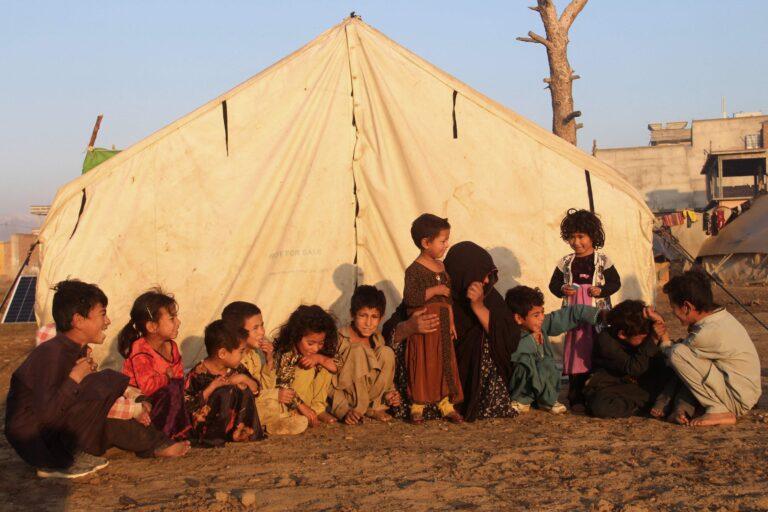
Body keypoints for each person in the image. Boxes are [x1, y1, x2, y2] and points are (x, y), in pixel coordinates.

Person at [5, 280, 189, 479]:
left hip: (54, 430)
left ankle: (154, 446)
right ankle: (59, 462)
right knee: (103, 381)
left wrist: (132, 405)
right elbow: (47, 413)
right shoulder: (51, 354)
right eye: (102, 314)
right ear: (78, 321)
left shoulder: (72, 350)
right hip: (37, 440)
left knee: (110, 419)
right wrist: (76, 377)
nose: (108, 321)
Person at [383, 242, 519, 422]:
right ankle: (422, 402)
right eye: (482, 275)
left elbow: (509, 339)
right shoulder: (434, 291)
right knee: (404, 339)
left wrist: (478, 306)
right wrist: (411, 327)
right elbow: (389, 331)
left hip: (470, 380)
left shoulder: (489, 296)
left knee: (482, 337)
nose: (486, 281)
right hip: (429, 368)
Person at [647, 271, 761, 426]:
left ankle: (718, 410)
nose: (673, 313)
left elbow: (674, 355)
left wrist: (663, 333)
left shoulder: (707, 333)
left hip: (737, 399)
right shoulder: (720, 318)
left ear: (686, 307)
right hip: (744, 391)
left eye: (673, 307)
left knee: (677, 354)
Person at [549, 209, 621, 411]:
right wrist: (563, 289)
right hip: (573, 317)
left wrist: (602, 290)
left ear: (592, 235)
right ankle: (576, 395)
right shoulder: (565, 262)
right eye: (571, 237)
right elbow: (553, 285)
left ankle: (596, 391)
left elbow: (615, 282)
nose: (576, 242)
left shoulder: (603, 260)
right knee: (575, 353)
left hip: (596, 315)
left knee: (597, 349)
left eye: (581, 236)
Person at [584, 300, 695, 420]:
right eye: (643, 337)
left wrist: (658, 321)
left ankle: (661, 403)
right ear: (622, 334)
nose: (646, 338)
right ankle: (656, 404)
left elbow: (666, 356)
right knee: (601, 406)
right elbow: (634, 367)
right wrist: (652, 339)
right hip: (616, 386)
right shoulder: (606, 341)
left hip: (645, 382)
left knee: (679, 371)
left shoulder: (640, 334)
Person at [401, 214, 463, 424]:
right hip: (425, 326)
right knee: (423, 363)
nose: (446, 245)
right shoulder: (414, 270)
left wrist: (452, 322)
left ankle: (445, 404)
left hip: (443, 324)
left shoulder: (442, 267)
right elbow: (410, 298)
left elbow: (448, 299)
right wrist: (435, 289)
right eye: (442, 241)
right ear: (425, 243)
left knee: (444, 362)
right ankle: (417, 405)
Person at [505, 285, 601, 414]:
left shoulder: (542, 324)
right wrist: (532, 340)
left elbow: (568, 315)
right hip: (519, 384)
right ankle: (521, 399)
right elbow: (513, 355)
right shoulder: (509, 333)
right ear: (518, 318)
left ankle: (547, 400)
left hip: (541, 383)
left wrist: (597, 314)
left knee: (547, 363)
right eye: (536, 315)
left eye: (542, 312)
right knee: (524, 362)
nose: (541, 318)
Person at [221, 302, 307, 436]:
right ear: (238, 332)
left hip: (257, 404)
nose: (262, 332)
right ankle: (267, 422)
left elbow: (263, 386)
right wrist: (275, 395)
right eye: (255, 328)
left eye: (262, 325)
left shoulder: (254, 356)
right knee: (273, 405)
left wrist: (269, 359)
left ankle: (272, 424)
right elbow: (247, 395)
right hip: (237, 410)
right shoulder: (231, 358)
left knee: (285, 409)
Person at [119, 289, 191, 439]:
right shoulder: (140, 350)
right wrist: (166, 378)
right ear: (152, 326)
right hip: (141, 402)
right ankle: (162, 437)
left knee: (177, 389)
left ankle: (178, 432)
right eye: (172, 318)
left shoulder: (172, 346)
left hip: (164, 399)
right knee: (171, 389)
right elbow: (146, 387)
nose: (178, 322)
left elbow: (178, 378)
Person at [184, 320, 265, 445]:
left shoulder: (237, 369)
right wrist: (212, 387)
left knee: (243, 387)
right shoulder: (198, 374)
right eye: (241, 351)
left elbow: (256, 389)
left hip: (236, 426)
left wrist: (243, 378)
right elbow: (187, 406)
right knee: (225, 392)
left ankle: (242, 433)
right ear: (222, 353)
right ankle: (214, 439)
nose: (243, 356)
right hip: (208, 430)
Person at [330, 285, 401, 425]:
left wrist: (390, 393)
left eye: (374, 317)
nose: (368, 323)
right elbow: (328, 382)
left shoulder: (377, 339)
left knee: (387, 352)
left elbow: (382, 376)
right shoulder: (339, 339)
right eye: (363, 316)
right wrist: (342, 409)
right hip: (347, 397)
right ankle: (360, 409)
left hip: (370, 396)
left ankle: (375, 407)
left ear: (381, 318)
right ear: (352, 314)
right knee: (358, 350)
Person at [273, 305, 339, 427]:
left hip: (307, 398)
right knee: (306, 368)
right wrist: (302, 406)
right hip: (290, 401)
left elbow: (336, 367)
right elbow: (283, 385)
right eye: (310, 343)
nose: (315, 348)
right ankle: (299, 412)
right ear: (297, 336)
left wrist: (319, 358)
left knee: (325, 364)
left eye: (320, 343)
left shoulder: (319, 351)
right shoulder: (287, 353)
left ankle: (318, 409)